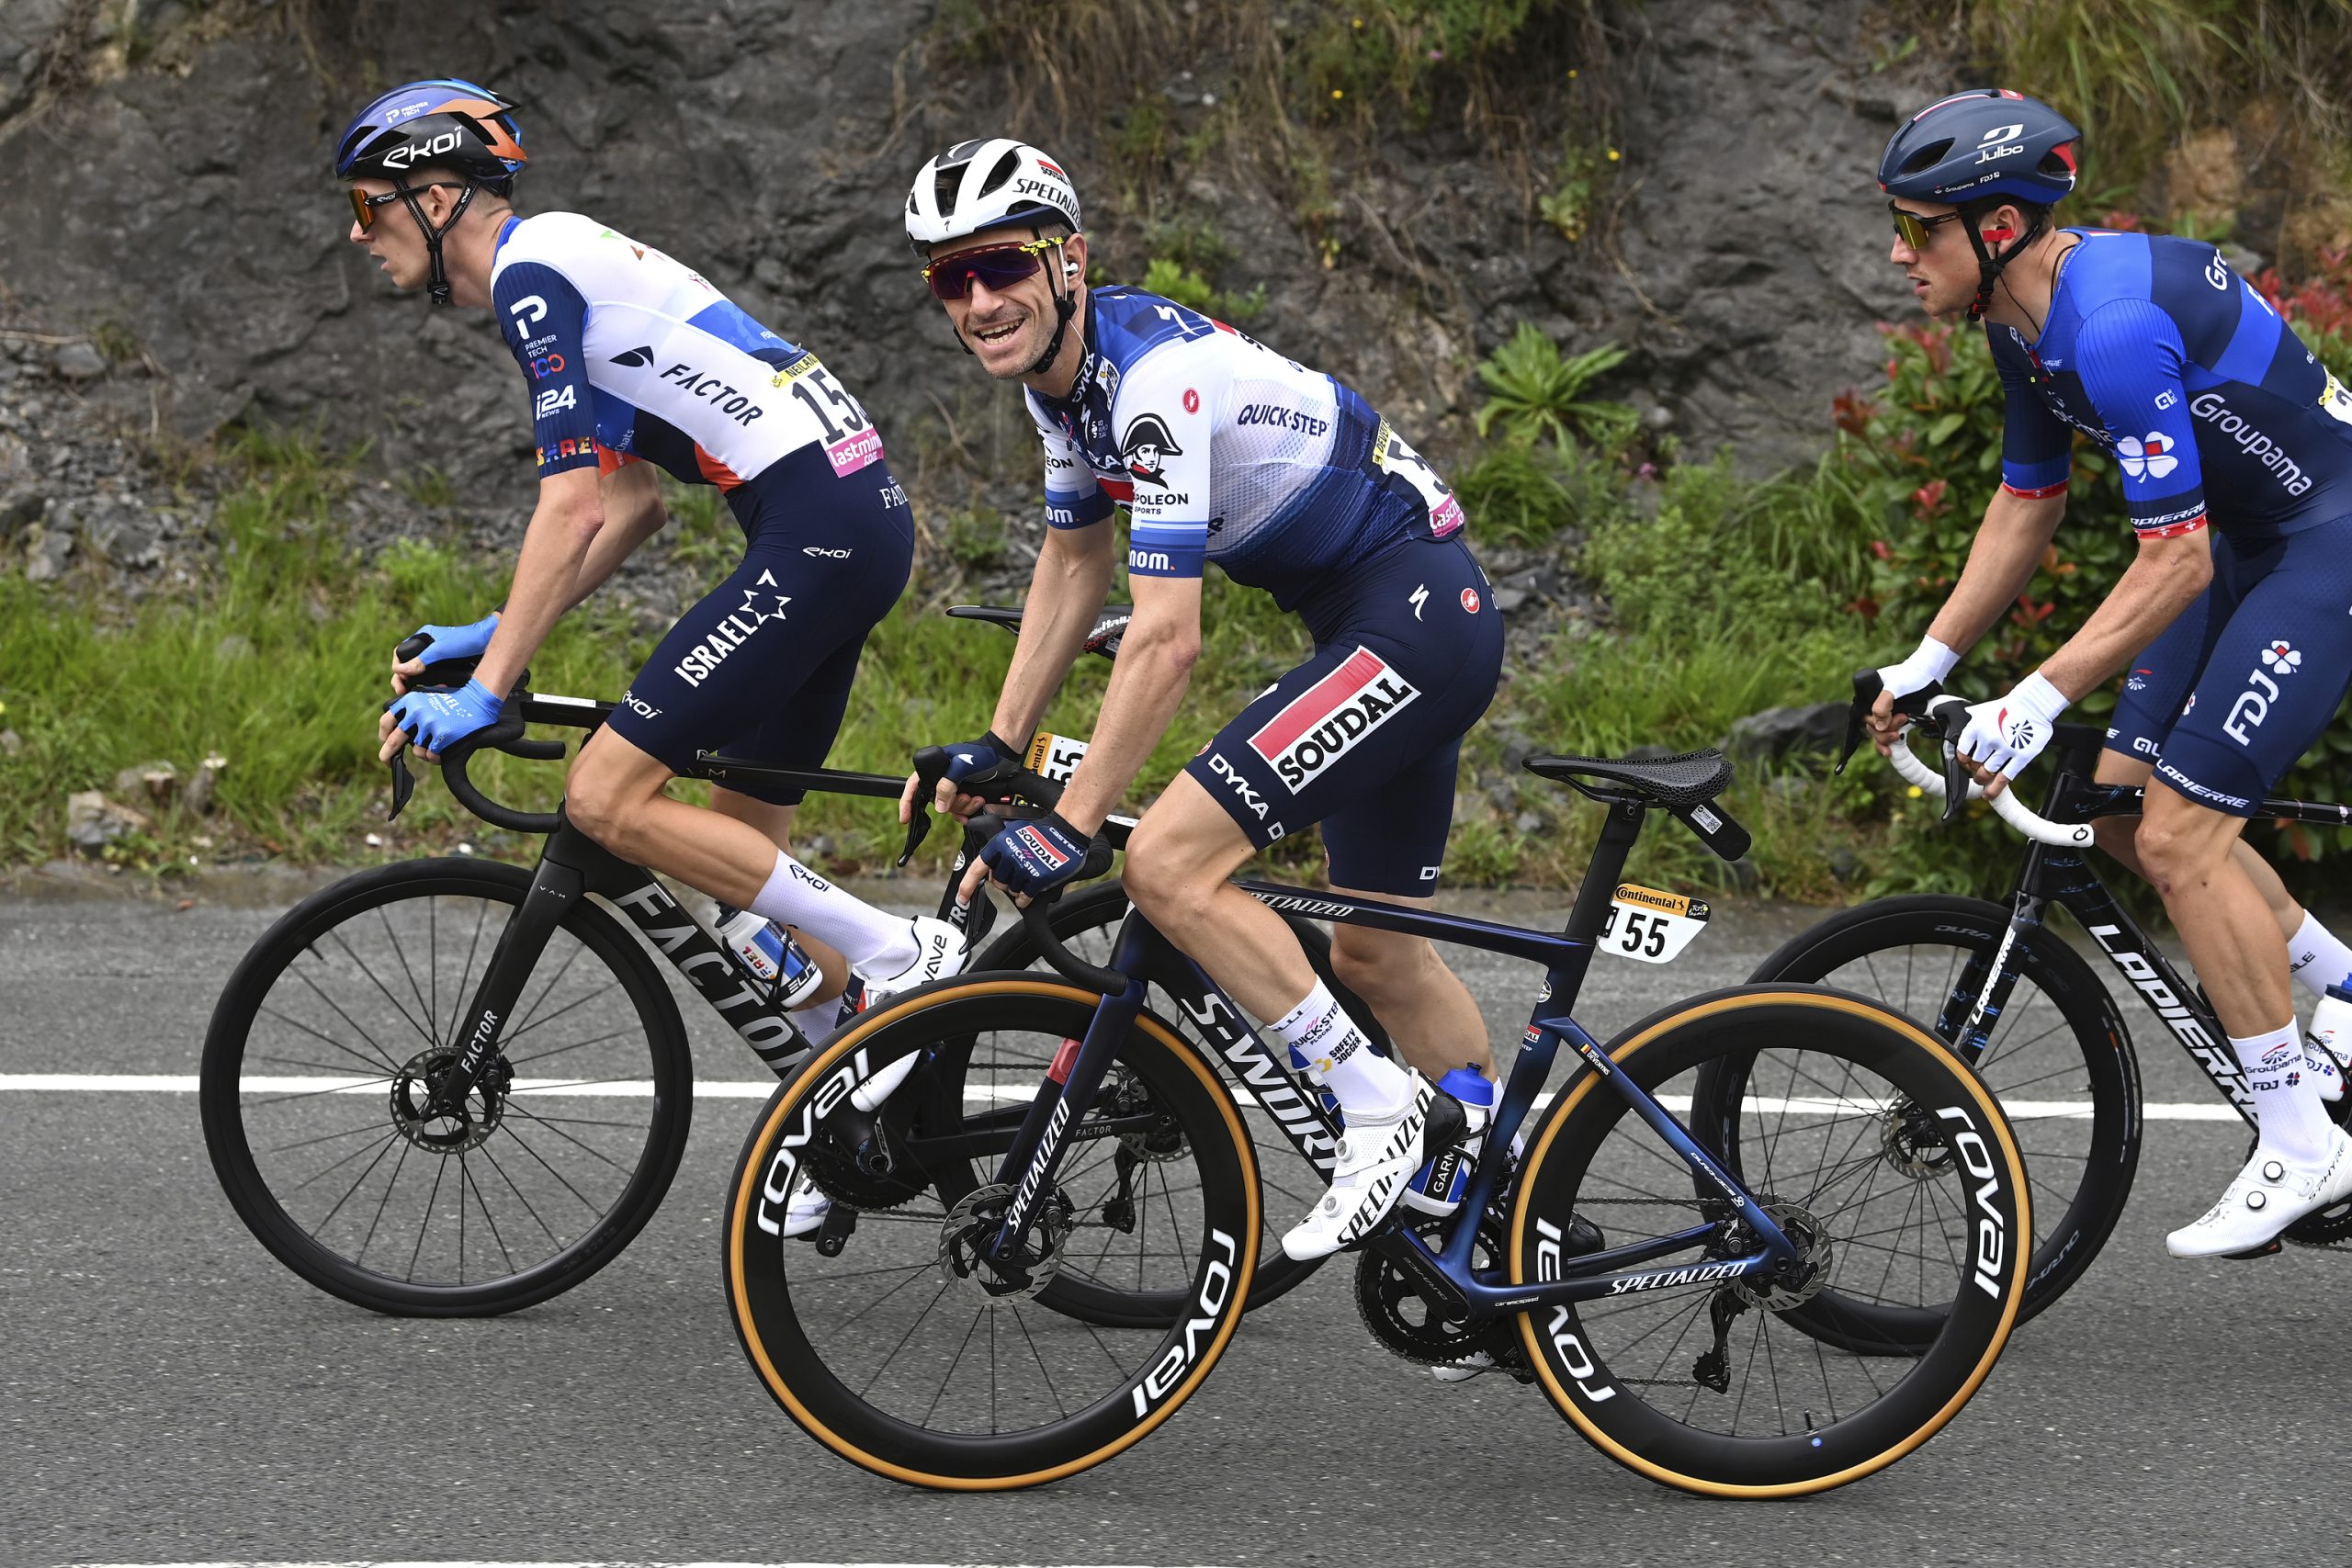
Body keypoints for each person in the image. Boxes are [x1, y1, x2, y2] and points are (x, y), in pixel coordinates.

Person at [897, 138, 1508, 1265]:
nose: (979, 300)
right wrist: (1000, 741)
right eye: (950, 278)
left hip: (1413, 618)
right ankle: (1496, 1203)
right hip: (1390, 620)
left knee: (1166, 864)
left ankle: (1380, 1110)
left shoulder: (1147, 388)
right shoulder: (1061, 383)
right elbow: (1075, 563)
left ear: (1067, 258)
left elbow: (1168, 642)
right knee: (1376, 955)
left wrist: (1069, 824)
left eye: (1000, 267)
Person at [340, 81, 965, 1168]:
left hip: (815, 528)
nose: (359, 237)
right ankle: (848, 1118)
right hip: (845, 521)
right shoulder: (562, 262)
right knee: (738, 881)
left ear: (437, 196)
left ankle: (901, 951)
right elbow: (628, 507)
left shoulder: (534, 278)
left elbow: (571, 504)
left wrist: (490, 689)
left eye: (368, 207)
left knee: (604, 793)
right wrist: (494, 631)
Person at [1863, 87, 2352, 1258]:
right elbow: (2027, 502)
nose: (1895, 253)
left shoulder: (2112, 329)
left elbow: (2170, 560)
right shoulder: (2016, 323)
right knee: (2127, 812)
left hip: (2325, 543)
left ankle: (2301, 1138)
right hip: (2247, 541)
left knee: (2185, 837)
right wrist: (1928, 658)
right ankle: (2342, 998)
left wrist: (2031, 703)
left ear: (1994, 228)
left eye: (1917, 227)